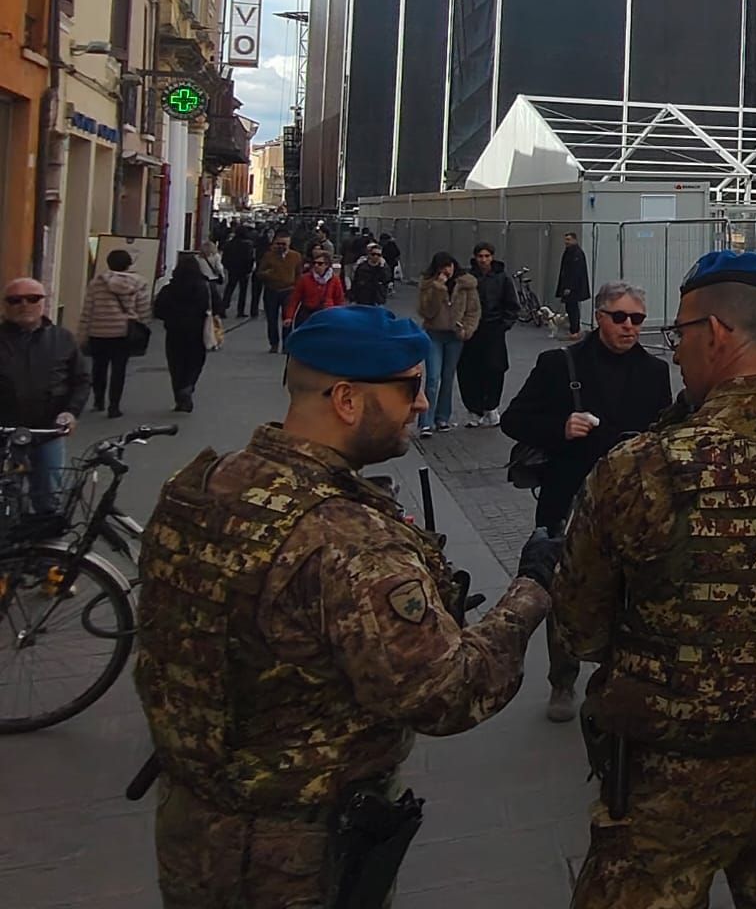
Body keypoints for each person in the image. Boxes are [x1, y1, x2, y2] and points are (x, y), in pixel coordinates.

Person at [133, 305, 559, 909]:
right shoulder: (346, 539)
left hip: (193, 825)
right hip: (297, 853)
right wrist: (530, 592)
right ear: (347, 400)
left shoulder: (202, 485)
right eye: (411, 387)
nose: (422, 401)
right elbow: (445, 694)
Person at [552, 251, 756, 908]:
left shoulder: (644, 468)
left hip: (668, 789)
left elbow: (581, 631)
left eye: (679, 334)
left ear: (718, 333)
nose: (674, 353)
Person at [502, 280, 672, 723]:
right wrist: (561, 426)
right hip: (568, 498)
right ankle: (563, 679)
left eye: (637, 319)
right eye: (620, 318)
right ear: (599, 317)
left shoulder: (654, 372)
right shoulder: (560, 363)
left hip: (631, 503)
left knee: (628, 591)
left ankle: (619, 676)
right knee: (564, 590)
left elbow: (667, 434)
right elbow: (514, 419)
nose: (630, 327)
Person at [0, 277, 86, 514]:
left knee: (48, 499)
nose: (24, 305)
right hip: (5, 434)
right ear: (5, 306)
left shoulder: (62, 339)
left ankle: (45, 549)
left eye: (33, 298)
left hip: (47, 432)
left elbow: (80, 381)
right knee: (6, 499)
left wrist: (71, 412)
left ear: (43, 303)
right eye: (15, 300)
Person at [80, 249, 151, 417]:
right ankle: (114, 405)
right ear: (129, 264)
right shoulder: (138, 283)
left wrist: (82, 332)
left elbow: (88, 309)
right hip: (123, 331)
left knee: (99, 367)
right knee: (119, 369)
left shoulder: (97, 283)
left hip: (99, 330)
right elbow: (143, 308)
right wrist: (142, 324)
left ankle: (98, 400)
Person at [415, 252, 476, 435]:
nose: (446, 271)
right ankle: (426, 421)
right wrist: (437, 288)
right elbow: (426, 311)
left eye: (449, 266)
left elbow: (473, 310)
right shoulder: (429, 284)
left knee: (448, 377)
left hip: (455, 336)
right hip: (434, 334)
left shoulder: (465, 284)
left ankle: (443, 418)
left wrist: (467, 329)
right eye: (442, 267)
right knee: (433, 377)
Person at [155, 253, 223, 415]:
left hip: (174, 330)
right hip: (198, 330)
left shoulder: (169, 289)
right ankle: (189, 385)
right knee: (195, 361)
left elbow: (158, 311)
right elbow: (219, 307)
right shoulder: (205, 287)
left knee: (176, 364)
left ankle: (180, 395)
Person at [459, 242, 518, 427]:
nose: (483, 260)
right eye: (480, 256)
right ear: (475, 258)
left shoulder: (502, 278)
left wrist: (504, 324)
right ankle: (474, 410)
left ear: (492, 257)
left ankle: (491, 406)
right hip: (472, 330)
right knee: (470, 370)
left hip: (494, 329)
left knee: (495, 368)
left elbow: (512, 304)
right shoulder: (468, 278)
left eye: (487, 256)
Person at [256, 231, 303, 353]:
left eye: (284, 244)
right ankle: (274, 343)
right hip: (271, 290)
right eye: (279, 243)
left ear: (289, 244)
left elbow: (299, 274)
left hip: (288, 290)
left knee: (287, 319)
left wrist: (297, 289)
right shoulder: (268, 256)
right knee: (271, 319)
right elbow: (259, 273)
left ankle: (286, 344)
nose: (281, 246)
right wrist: (267, 274)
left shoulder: (296, 256)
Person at [556, 231, 591, 337]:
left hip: (574, 287)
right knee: (570, 308)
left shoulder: (577, 253)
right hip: (569, 286)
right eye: (565, 240)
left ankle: (575, 331)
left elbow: (575, 272)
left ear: (575, 240)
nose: (566, 242)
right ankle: (573, 329)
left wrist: (569, 287)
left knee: (573, 308)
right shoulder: (569, 252)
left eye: (568, 239)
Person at [221, 228, 258, 319]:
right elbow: (250, 258)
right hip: (243, 270)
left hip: (232, 269)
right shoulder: (248, 244)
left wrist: (227, 267)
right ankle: (240, 311)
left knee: (229, 288)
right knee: (243, 291)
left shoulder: (229, 243)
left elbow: (224, 257)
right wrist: (249, 270)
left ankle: (223, 308)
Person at [349, 242, 393, 307]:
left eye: (378, 255)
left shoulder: (384, 268)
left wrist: (381, 267)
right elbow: (355, 283)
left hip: (377, 301)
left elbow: (386, 280)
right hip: (362, 300)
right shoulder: (362, 267)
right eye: (373, 254)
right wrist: (353, 299)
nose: (376, 256)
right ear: (369, 255)